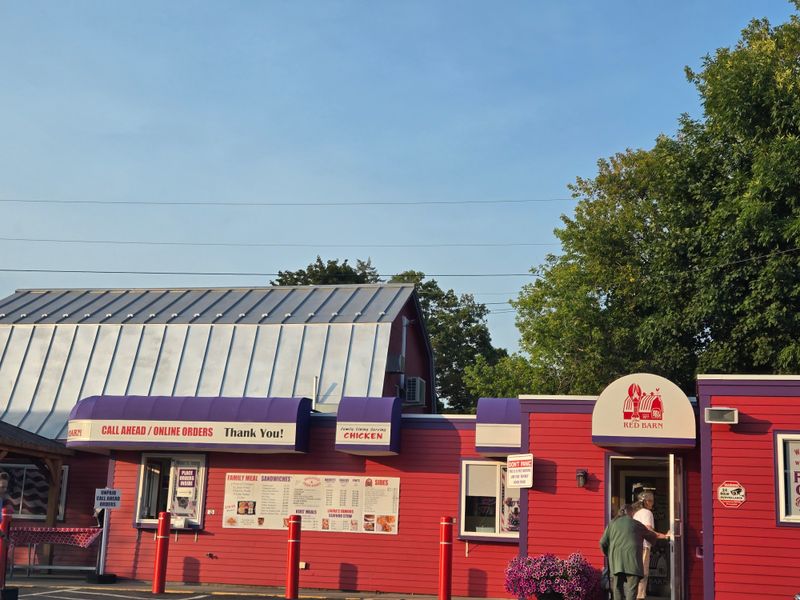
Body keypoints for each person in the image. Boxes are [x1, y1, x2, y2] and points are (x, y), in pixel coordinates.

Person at [600, 504, 669, 600]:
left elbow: (602, 542)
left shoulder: (612, 524)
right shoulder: (636, 524)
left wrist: (609, 555)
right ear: (631, 513)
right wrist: (666, 536)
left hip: (616, 563)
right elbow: (652, 536)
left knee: (617, 588)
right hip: (633, 563)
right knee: (631, 590)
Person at [632, 491, 665, 600]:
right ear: (646, 501)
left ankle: (634, 595)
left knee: (635, 572)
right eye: (651, 501)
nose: (652, 503)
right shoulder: (647, 513)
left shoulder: (636, 513)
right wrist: (664, 536)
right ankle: (640, 596)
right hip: (643, 546)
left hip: (634, 546)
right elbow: (648, 530)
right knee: (643, 573)